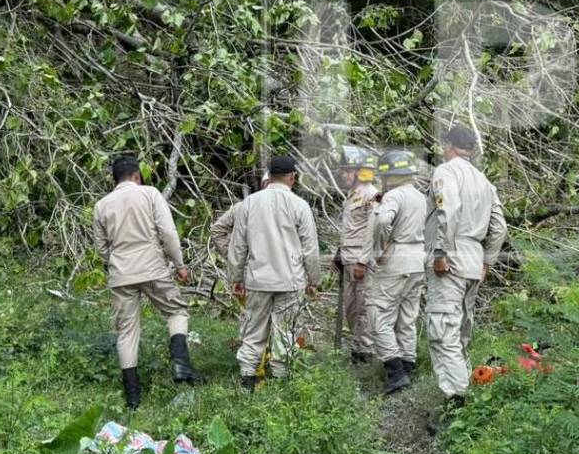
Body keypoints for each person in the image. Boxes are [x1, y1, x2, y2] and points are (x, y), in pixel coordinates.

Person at [91, 155, 203, 410]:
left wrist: (118, 261)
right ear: (137, 176)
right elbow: (168, 232)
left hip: (121, 274)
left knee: (127, 331)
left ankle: (133, 398)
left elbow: (102, 249)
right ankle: (181, 365)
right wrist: (179, 265)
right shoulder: (150, 194)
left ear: (114, 179)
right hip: (153, 268)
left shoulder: (101, 206)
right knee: (176, 311)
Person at [426, 125, 507, 432]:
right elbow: (499, 227)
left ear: (448, 145)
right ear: (471, 149)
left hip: (452, 258)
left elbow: (448, 212)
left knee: (442, 330)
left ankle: (457, 403)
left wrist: (440, 253)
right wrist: (487, 260)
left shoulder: (446, 172)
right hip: (473, 260)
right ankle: (463, 390)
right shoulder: (484, 182)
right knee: (460, 329)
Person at [215, 154, 320, 390]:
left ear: (269, 176)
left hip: (257, 280)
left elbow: (238, 246)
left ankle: (247, 382)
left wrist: (236, 278)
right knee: (285, 333)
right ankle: (281, 382)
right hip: (290, 281)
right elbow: (310, 249)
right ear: (293, 177)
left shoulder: (249, 203)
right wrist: (314, 280)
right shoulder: (300, 206)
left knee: (253, 332)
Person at [368, 149, 428, 394]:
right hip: (418, 258)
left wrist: (381, 247)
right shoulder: (420, 196)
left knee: (378, 313)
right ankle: (407, 363)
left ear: (389, 175)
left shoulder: (393, 196)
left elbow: (382, 222)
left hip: (397, 258)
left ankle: (395, 370)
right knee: (407, 316)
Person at [334, 145, 379, 364]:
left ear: (361, 171)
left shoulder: (371, 194)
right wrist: (339, 253)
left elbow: (372, 231)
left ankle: (366, 352)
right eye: (343, 170)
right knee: (351, 308)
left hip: (362, 261)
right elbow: (350, 228)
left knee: (364, 307)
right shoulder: (351, 196)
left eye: (349, 170)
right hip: (349, 259)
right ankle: (357, 346)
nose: (344, 174)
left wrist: (363, 260)